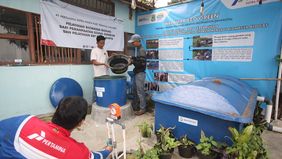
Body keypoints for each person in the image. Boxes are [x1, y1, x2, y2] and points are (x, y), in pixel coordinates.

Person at [0, 96, 112, 159]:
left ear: (56, 109)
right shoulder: (78, 152)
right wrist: (108, 150)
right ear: (80, 123)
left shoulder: (24, 122)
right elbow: (96, 157)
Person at [128, 34, 147, 116]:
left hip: (140, 73)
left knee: (140, 92)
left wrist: (132, 61)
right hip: (137, 73)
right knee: (135, 90)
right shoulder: (138, 49)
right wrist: (132, 58)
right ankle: (135, 106)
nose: (132, 44)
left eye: (133, 42)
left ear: (137, 41)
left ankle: (142, 109)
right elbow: (139, 59)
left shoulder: (141, 50)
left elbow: (141, 63)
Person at [90, 35, 110, 103]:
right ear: (97, 42)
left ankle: (103, 103)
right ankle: (93, 105)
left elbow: (107, 60)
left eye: (104, 43)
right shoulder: (94, 50)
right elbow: (94, 62)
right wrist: (103, 64)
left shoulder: (105, 50)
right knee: (97, 91)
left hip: (106, 74)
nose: (102, 44)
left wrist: (112, 56)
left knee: (104, 91)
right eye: (101, 43)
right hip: (98, 75)